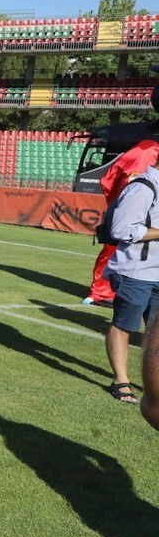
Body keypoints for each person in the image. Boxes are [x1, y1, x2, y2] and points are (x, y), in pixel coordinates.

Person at [102, 157, 159, 404]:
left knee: (156, 332)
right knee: (124, 325)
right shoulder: (142, 187)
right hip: (135, 271)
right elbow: (121, 229)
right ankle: (120, 380)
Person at [86, 139, 159, 305]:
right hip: (136, 217)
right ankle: (102, 292)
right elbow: (114, 181)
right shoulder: (146, 150)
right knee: (118, 248)